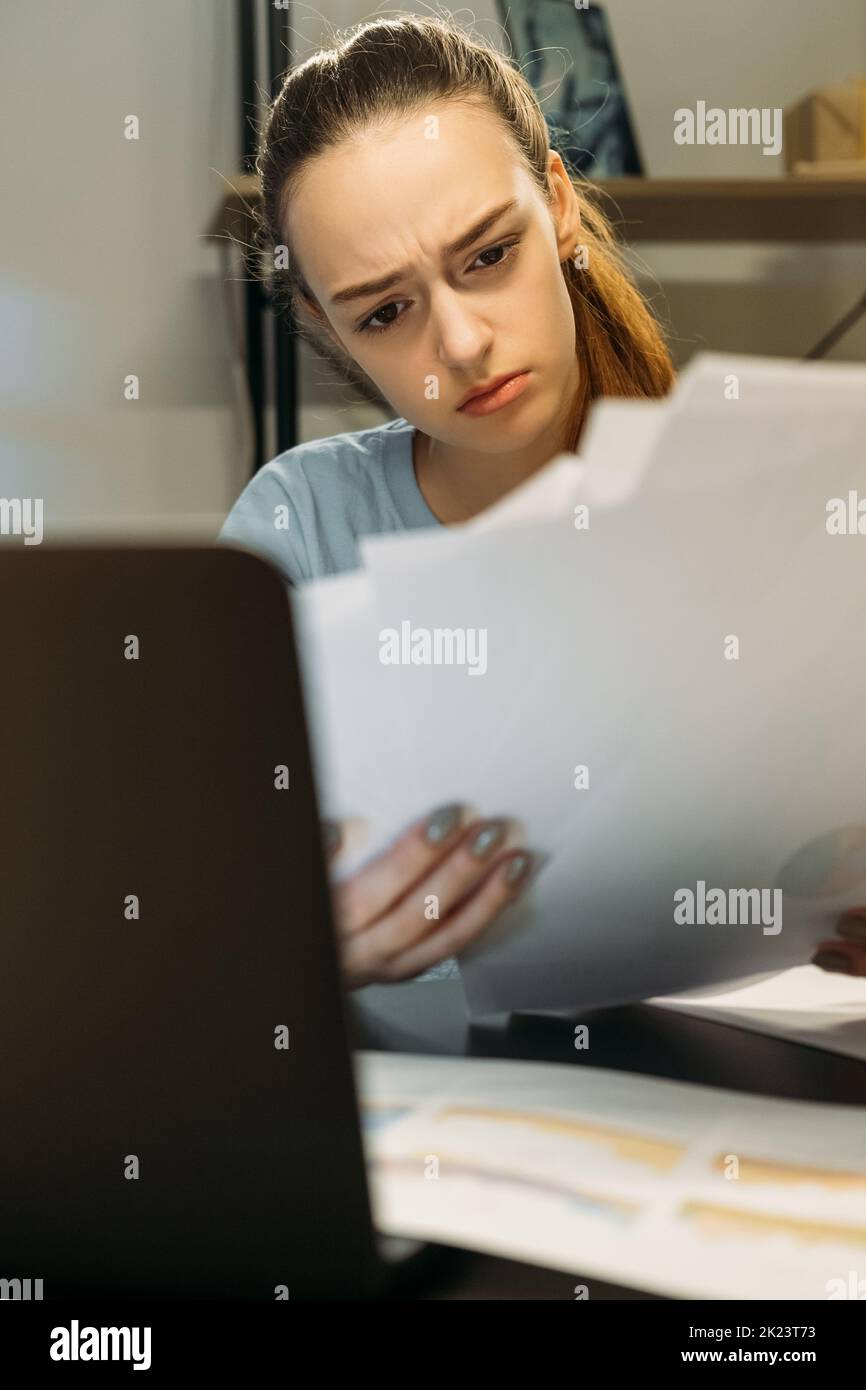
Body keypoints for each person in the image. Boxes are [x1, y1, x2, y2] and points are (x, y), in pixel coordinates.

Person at [219, 13, 862, 989]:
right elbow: (173, 926)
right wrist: (290, 955)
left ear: (556, 205)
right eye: (385, 311)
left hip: (722, 1085)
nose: (463, 344)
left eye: (486, 256)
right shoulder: (295, 530)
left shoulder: (772, 499)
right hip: (417, 1113)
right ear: (322, 323)